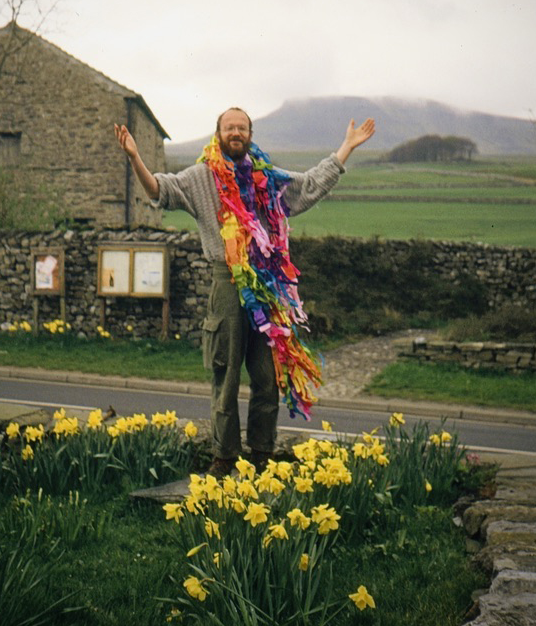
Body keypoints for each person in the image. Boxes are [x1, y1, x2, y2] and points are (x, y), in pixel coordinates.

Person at [114, 107, 375, 476]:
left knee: (267, 378)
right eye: (229, 127)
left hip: (266, 289)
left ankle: (262, 453)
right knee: (226, 375)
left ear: (250, 134)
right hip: (227, 284)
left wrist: (346, 147)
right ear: (218, 133)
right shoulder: (201, 177)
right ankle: (224, 456)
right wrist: (135, 157)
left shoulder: (265, 178)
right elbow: (160, 190)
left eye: (241, 127)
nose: (235, 132)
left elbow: (309, 185)